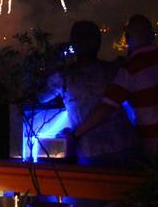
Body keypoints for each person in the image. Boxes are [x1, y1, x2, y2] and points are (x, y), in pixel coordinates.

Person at [73, 15, 158, 156]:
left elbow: (106, 107)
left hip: (157, 150)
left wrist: (76, 134)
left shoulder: (130, 70)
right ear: (152, 35)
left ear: (127, 38)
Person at [41, 21, 138, 166]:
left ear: (73, 44)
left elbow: (40, 96)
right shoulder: (114, 70)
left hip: (92, 153)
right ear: (98, 43)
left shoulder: (64, 76)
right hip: (127, 145)